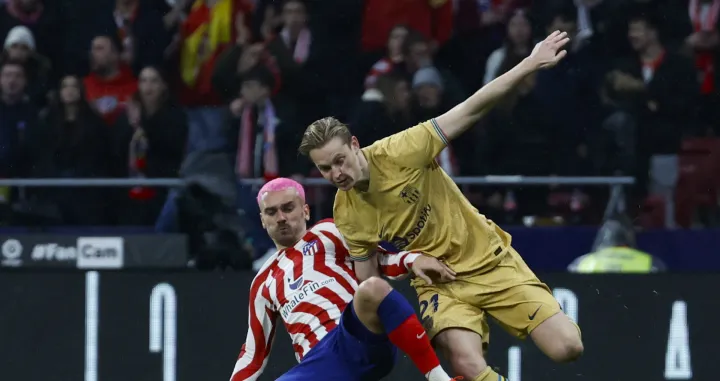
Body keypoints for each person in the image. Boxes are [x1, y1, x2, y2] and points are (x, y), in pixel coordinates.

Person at [298, 31, 584, 381]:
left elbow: (472, 107)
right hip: (439, 286)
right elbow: (371, 282)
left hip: (489, 260)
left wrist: (529, 63)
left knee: (568, 348)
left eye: (339, 160)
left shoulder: (402, 150)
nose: (335, 173)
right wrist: (411, 264)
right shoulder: (346, 212)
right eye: (325, 168)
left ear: (355, 145)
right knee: (466, 365)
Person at [230, 178, 459, 381]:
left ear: (306, 211)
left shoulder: (328, 230)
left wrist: (412, 260)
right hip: (319, 364)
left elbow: (378, 260)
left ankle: (439, 378)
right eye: (271, 212)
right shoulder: (262, 281)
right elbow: (253, 353)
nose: (281, 218)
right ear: (262, 220)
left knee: (372, 287)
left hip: (356, 335)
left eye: (288, 208)